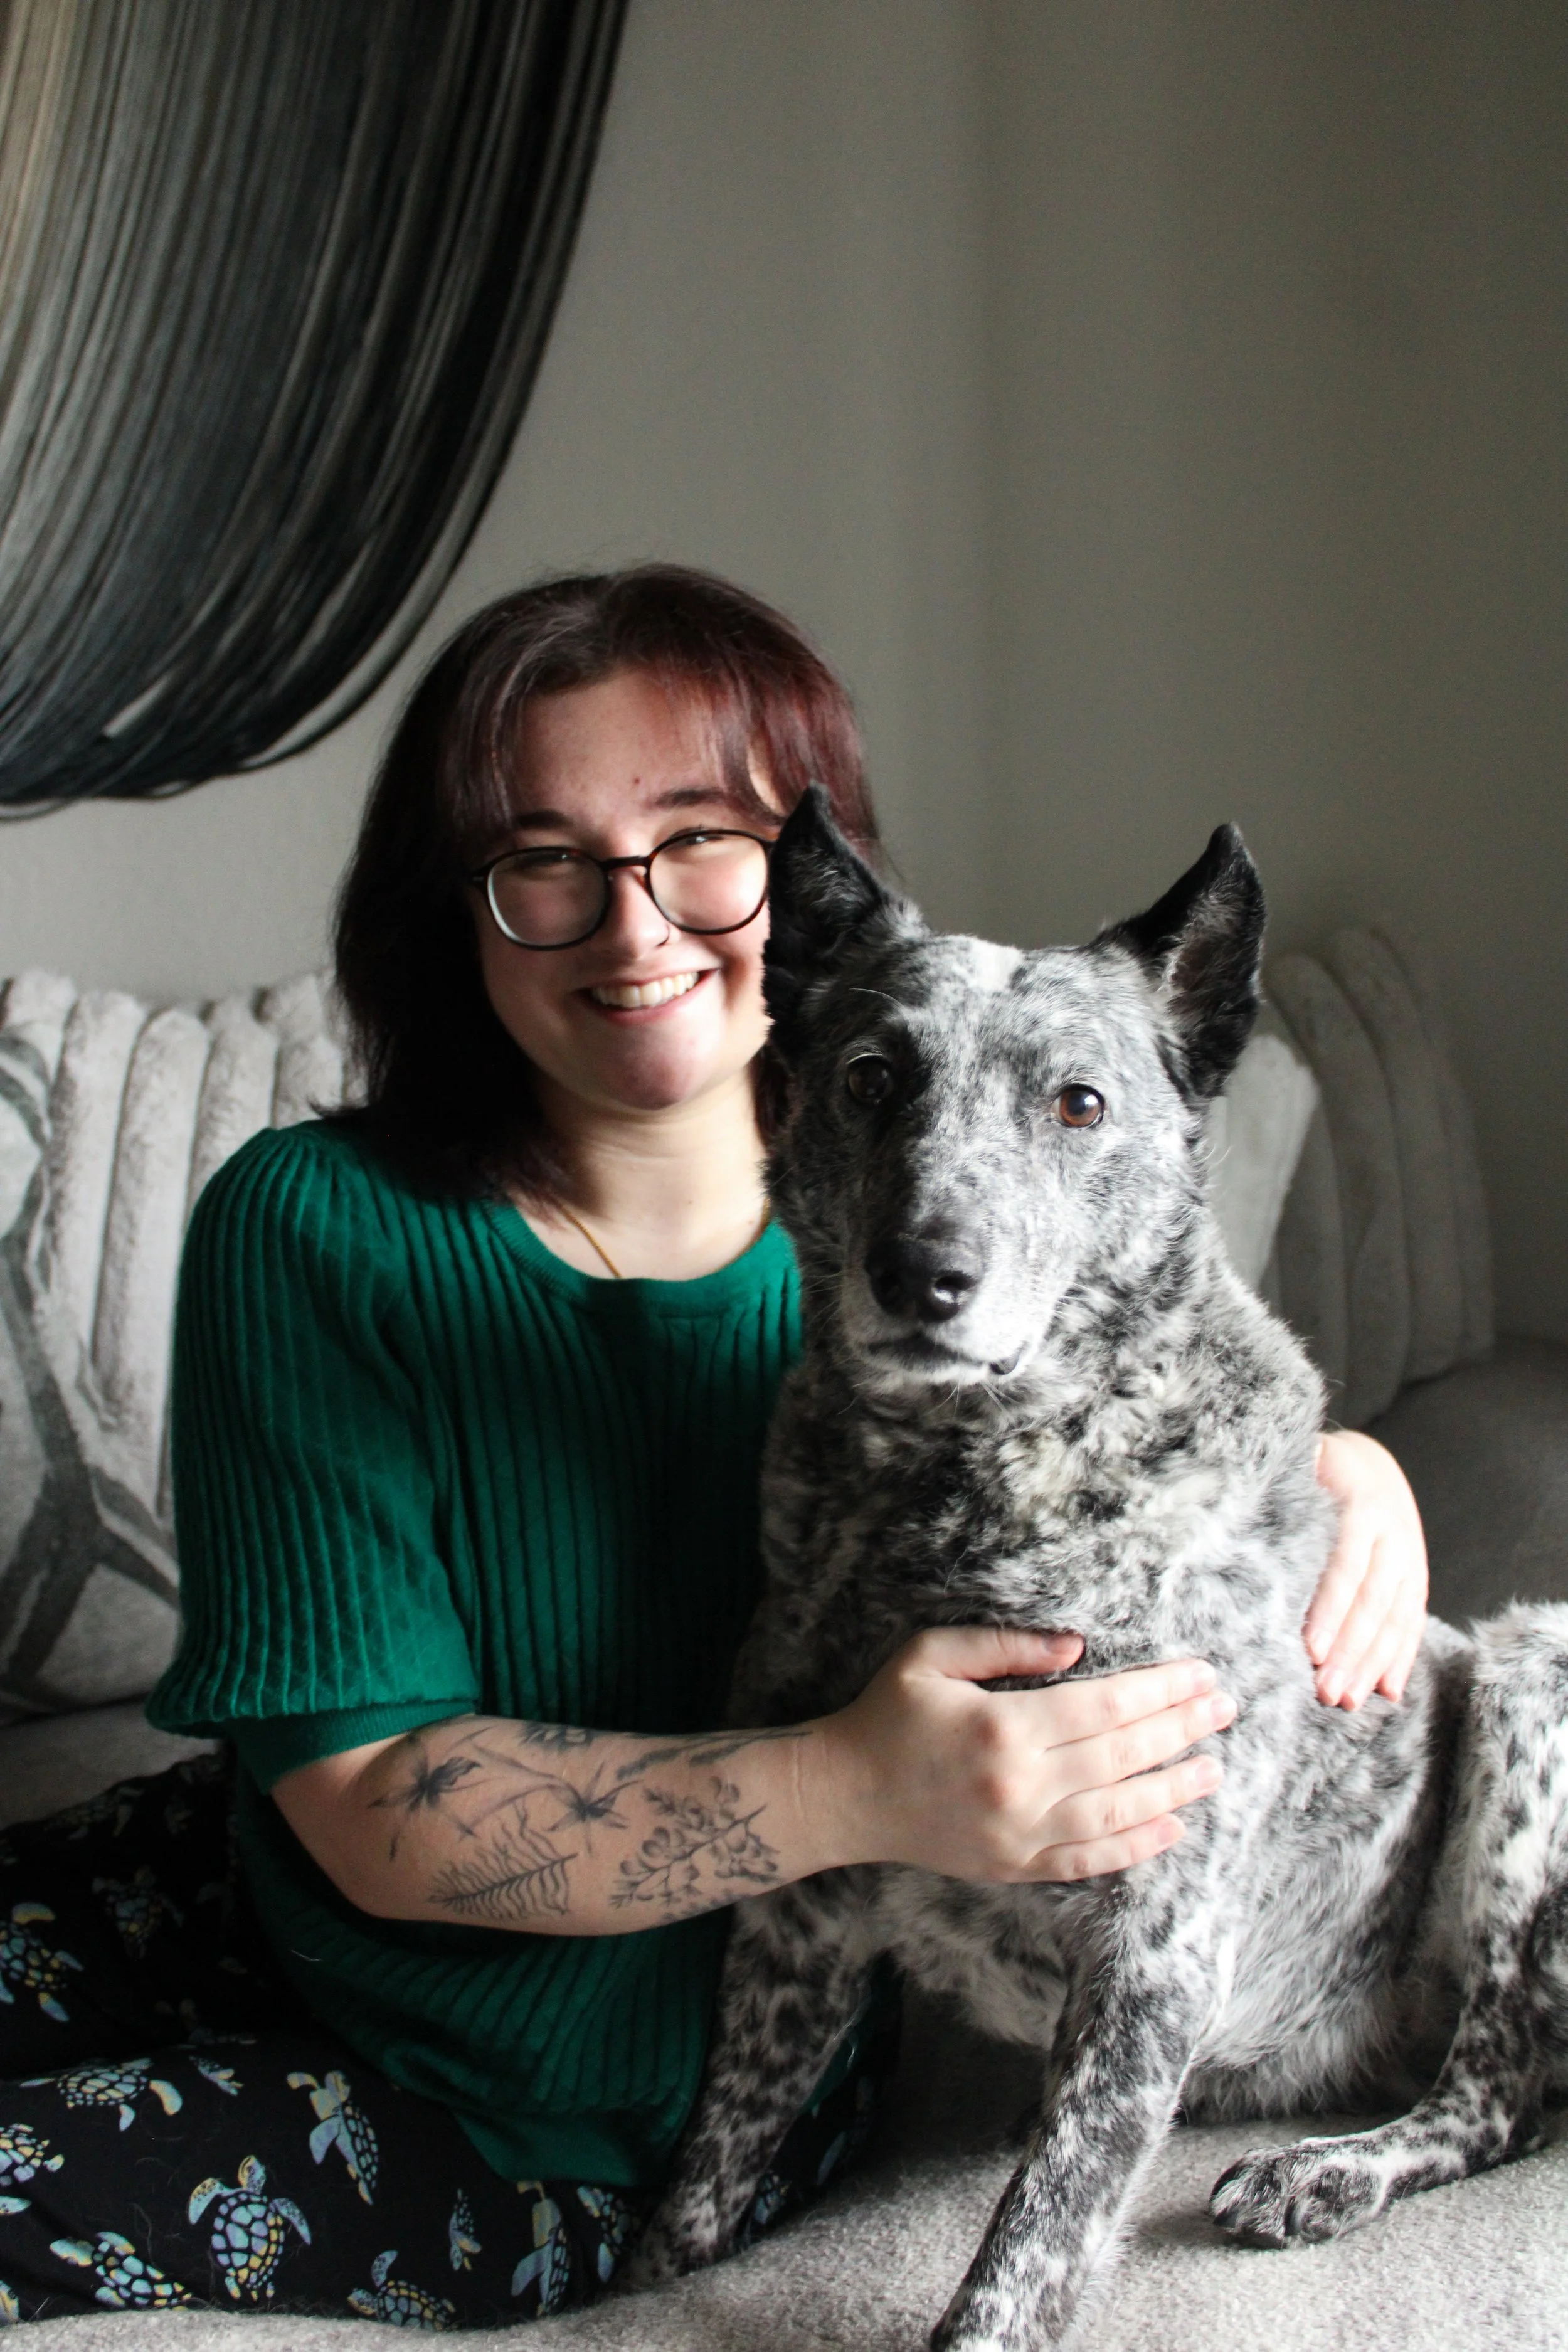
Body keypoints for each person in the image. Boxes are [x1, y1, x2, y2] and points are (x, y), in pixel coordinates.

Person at [0, 567, 1427, 2328]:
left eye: (699, 842)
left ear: (811, 894)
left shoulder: (941, 1280)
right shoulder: (311, 1227)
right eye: (543, 855)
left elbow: (1168, 1427)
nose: (634, 925)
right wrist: (855, 1781)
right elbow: (367, 1809)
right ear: (451, 906)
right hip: (291, 1869)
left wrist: (1352, 1477)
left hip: (558, 2107)